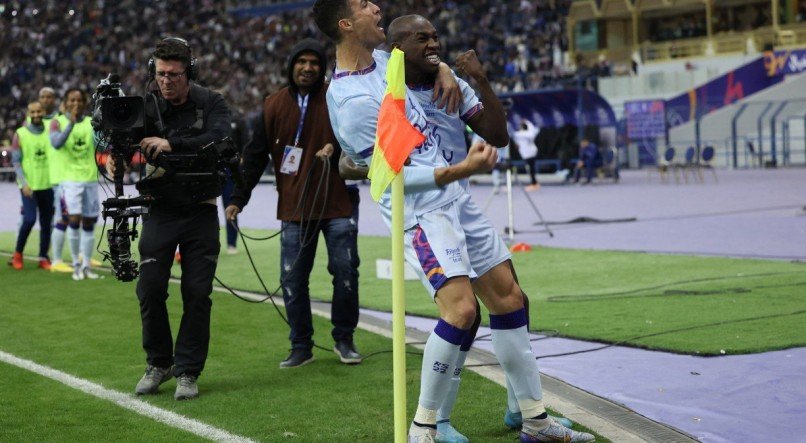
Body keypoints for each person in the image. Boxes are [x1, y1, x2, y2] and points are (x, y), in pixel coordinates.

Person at [312, 2, 593, 442]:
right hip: (421, 210)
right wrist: (461, 169)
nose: (377, 6)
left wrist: (444, 69)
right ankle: (426, 426)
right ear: (346, 24)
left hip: (455, 198)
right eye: (365, 4)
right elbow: (394, 176)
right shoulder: (349, 101)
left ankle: (535, 421)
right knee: (461, 311)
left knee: (510, 298)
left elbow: (425, 59)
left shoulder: (386, 60)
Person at [225, 38, 362, 368]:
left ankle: (344, 339)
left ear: (321, 67)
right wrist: (238, 200)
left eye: (314, 62)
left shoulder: (337, 98)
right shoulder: (273, 104)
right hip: (293, 208)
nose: (308, 67)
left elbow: (360, 141)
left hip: (338, 203)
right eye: (301, 61)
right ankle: (301, 345)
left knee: (346, 272)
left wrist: (337, 150)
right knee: (291, 279)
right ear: (291, 66)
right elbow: (255, 156)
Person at [123, 37, 232, 400]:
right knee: (150, 288)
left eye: (173, 74)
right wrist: (115, 151)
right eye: (160, 74)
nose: (166, 81)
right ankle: (159, 362)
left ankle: (187, 371)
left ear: (190, 72)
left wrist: (173, 145)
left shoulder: (211, 102)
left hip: (201, 209)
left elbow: (220, 139)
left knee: (197, 293)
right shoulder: (146, 104)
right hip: (161, 208)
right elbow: (124, 139)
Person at [49, 88, 100, 281]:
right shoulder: (58, 122)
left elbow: (101, 145)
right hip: (69, 181)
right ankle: (76, 265)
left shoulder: (91, 123)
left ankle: (86, 264)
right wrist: (71, 122)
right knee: (73, 220)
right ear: (66, 102)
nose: (76, 103)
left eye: (80, 100)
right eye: (72, 100)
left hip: (90, 179)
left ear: (85, 103)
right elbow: (56, 143)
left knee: (88, 222)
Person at [9, 102, 54, 270]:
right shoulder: (20, 134)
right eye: (33, 112)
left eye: (39, 111)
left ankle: (43, 257)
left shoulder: (50, 131)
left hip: (47, 185)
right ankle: (17, 254)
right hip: (29, 186)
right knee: (29, 219)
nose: (36, 114)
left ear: (43, 111)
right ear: (28, 114)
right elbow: (16, 162)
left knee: (46, 223)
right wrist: (24, 184)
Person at [220, 110, 248, 255]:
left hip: (231, 168)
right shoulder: (207, 118)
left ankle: (232, 243)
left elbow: (246, 141)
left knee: (230, 205)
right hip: (212, 167)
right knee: (205, 207)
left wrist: (242, 158)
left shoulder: (237, 119)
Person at [512, 119, 540, 191]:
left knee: (531, 169)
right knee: (531, 169)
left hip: (529, 154)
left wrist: (525, 122)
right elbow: (533, 129)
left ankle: (534, 184)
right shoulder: (530, 133)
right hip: (532, 153)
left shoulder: (519, 134)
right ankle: (534, 183)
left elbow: (512, 134)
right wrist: (528, 122)